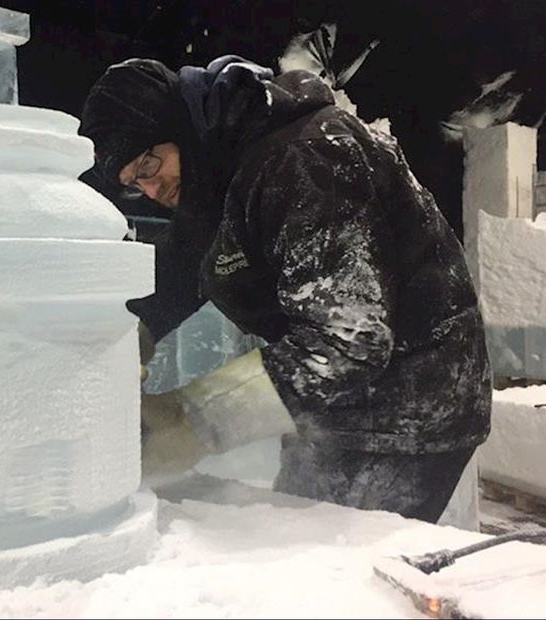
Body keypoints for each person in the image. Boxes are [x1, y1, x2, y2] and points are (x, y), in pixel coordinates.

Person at [79, 55, 491, 523]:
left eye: (148, 164)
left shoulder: (306, 157)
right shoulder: (216, 176)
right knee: (293, 533)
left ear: (178, 127)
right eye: (134, 184)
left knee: (333, 567)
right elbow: (178, 275)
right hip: (336, 408)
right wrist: (125, 338)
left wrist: (193, 419)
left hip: (408, 407)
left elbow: (348, 339)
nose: (150, 189)